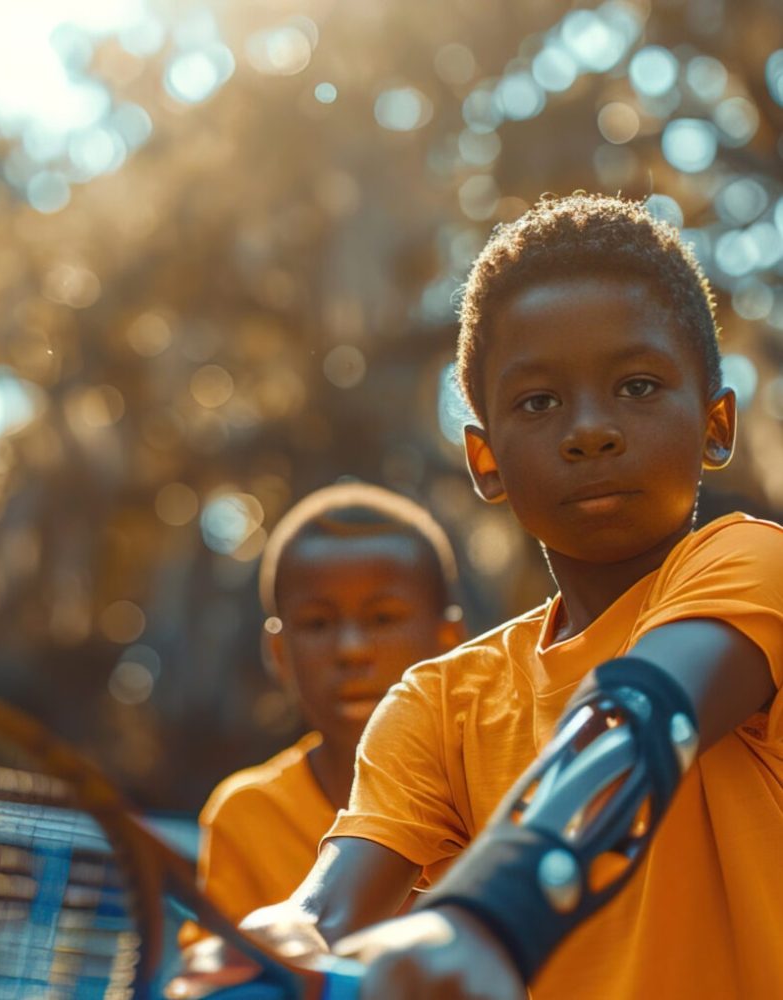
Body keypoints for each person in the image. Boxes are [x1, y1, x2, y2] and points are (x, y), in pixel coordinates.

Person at [228, 194, 783, 1000]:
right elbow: (331, 902)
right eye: (539, 402)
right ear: (485, 460)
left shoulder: (756, 565)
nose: (589, 430)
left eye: (637, 385)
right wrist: (287, 937)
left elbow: (645, 713)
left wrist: (491, 911)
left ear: (716, 425)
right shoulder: (437, 701)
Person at [195, 482, 465, 924]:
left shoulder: (494, 793)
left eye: (384, 618)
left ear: (447, 642)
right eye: (318, 623)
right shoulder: (247, 816)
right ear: (279, 654)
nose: (352, 650)